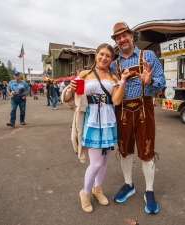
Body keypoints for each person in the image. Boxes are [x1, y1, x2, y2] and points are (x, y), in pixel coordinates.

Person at [65, 43, 130, 213]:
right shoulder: (84, 74)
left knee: (105, 161)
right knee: (96, 163)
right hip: (91, 120)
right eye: (102, 54)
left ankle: (97, 189)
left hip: (108, 121)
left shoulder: (114, 78)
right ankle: (85, 193)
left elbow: (116, 101)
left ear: (111, 59)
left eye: (108, 56)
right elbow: (76, 99)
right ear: (96, 55)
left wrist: (122, 80)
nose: (104, 58)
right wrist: (71, 88)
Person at [110, 22, 166, 214]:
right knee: (124, 150)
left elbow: (162, 81)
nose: (121, 40)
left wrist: (149, 81)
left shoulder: (147, 55)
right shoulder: (113, 65)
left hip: (145, 108)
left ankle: (149, 191)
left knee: (147, 149)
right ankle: (128, 184)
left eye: (124, 35)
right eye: (117, 38)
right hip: (123, 111)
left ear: (131, 35)